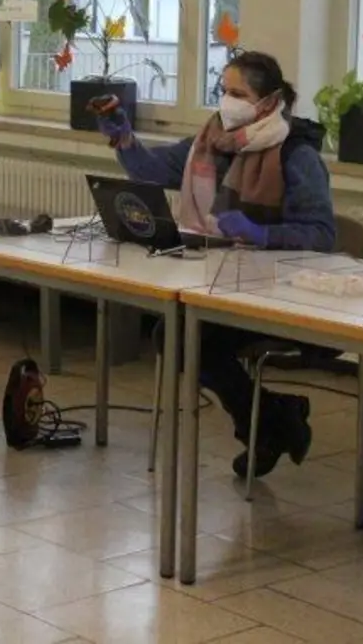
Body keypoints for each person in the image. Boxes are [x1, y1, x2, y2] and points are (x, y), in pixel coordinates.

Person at [97, 51, 336, 479]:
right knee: (174, 333)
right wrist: (125, 140)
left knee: (185, 336)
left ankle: (268, 422)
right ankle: (273, 419)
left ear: (267, 102)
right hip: (220, 282)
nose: (226, 101)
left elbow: (321, 234)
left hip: (278, 292)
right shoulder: (210, 142)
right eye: (223, 91)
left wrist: (262, 234)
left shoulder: (295, 154)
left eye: (237, 93)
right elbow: (153, 171)